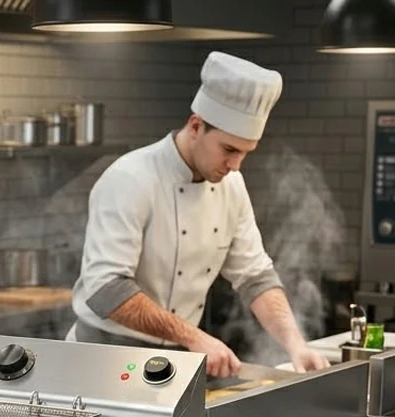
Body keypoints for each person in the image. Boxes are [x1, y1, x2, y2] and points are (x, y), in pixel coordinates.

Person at [68, 51, 330, 376]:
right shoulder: (130, 178)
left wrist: (296, 345)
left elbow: (255, 276)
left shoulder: (232, 185)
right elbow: (105, 289)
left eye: (245, 153)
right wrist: (194, 337)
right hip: (104, 360)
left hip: (174, 363)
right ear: (196, 126)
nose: (235, 165)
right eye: (229, 149)